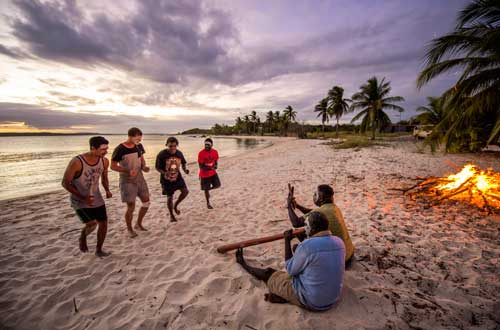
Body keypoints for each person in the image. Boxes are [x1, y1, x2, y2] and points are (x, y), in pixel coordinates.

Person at [236, 212, 345, 311]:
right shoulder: (339, 242)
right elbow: (318, 256)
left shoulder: (307, 246)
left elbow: (290, 270)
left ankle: (243, 264)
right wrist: (302, 243)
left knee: (269, 273)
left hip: (313, 301)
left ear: (311, 228)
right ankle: (287, 296)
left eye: (306, 226)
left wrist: (287, 241)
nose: (305, 228)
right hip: (333, 299)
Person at [61, 136, 113, 257]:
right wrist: (83, 197)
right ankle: (82, 237)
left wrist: (107, 190)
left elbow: (104, 177)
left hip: (97, 198)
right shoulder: (77, 162)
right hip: (79, 200)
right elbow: (65, 183)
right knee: (91, 224)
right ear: (92, 148)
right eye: (103, 149)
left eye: (107, 148)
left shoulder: (104, 161)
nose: (106, 151)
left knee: (103, 223)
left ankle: (99, 250)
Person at [287, 184, 354, 264]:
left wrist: (288, 205)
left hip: (341, 261)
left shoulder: (322, 211)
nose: (314, 196)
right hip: (349, 254)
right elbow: (312, 213)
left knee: (301, 233)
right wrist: (297, 206)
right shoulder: (334, 207)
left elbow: (296, 223)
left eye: (316, 194)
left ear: (321, 198)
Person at [111, 127, 150, 238]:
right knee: (131, 206)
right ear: (130, 136)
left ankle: (138, 224)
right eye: (137, 139)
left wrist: (144, 167)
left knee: (146, 202)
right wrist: (127, 171)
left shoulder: (139, 146)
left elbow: (141, 158)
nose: (139, 141)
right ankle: (129, 229)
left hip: (140, 178)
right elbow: (112, 166)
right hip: (127, 181)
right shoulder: (120, 149)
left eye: (140, 139)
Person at [155, 137, 189, 222]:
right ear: (166, 145)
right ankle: (171, 215)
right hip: (166, 179)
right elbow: (157, 167)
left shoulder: (179, 153)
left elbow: (183, 163)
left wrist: (185, 170)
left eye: (174, 146)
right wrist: (164, 173)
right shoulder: (162, 154)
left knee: (185, 192)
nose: (173, 148)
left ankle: (175, 205)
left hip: (178, 177)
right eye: (170, 146)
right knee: (170, 197)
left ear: (177, 145)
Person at [198, 138, 221, 209]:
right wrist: (210, 168)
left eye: (208, 145)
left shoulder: (215, 152)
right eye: (205, 145)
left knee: (218, 185)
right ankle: (208, 203)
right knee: (206, 190)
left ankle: (207, 190)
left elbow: (216, 161)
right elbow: (201, 166)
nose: (206, 146)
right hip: (204, 175)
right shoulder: (201, 153)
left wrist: (216, 166)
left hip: (213, 173)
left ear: (212, 145)